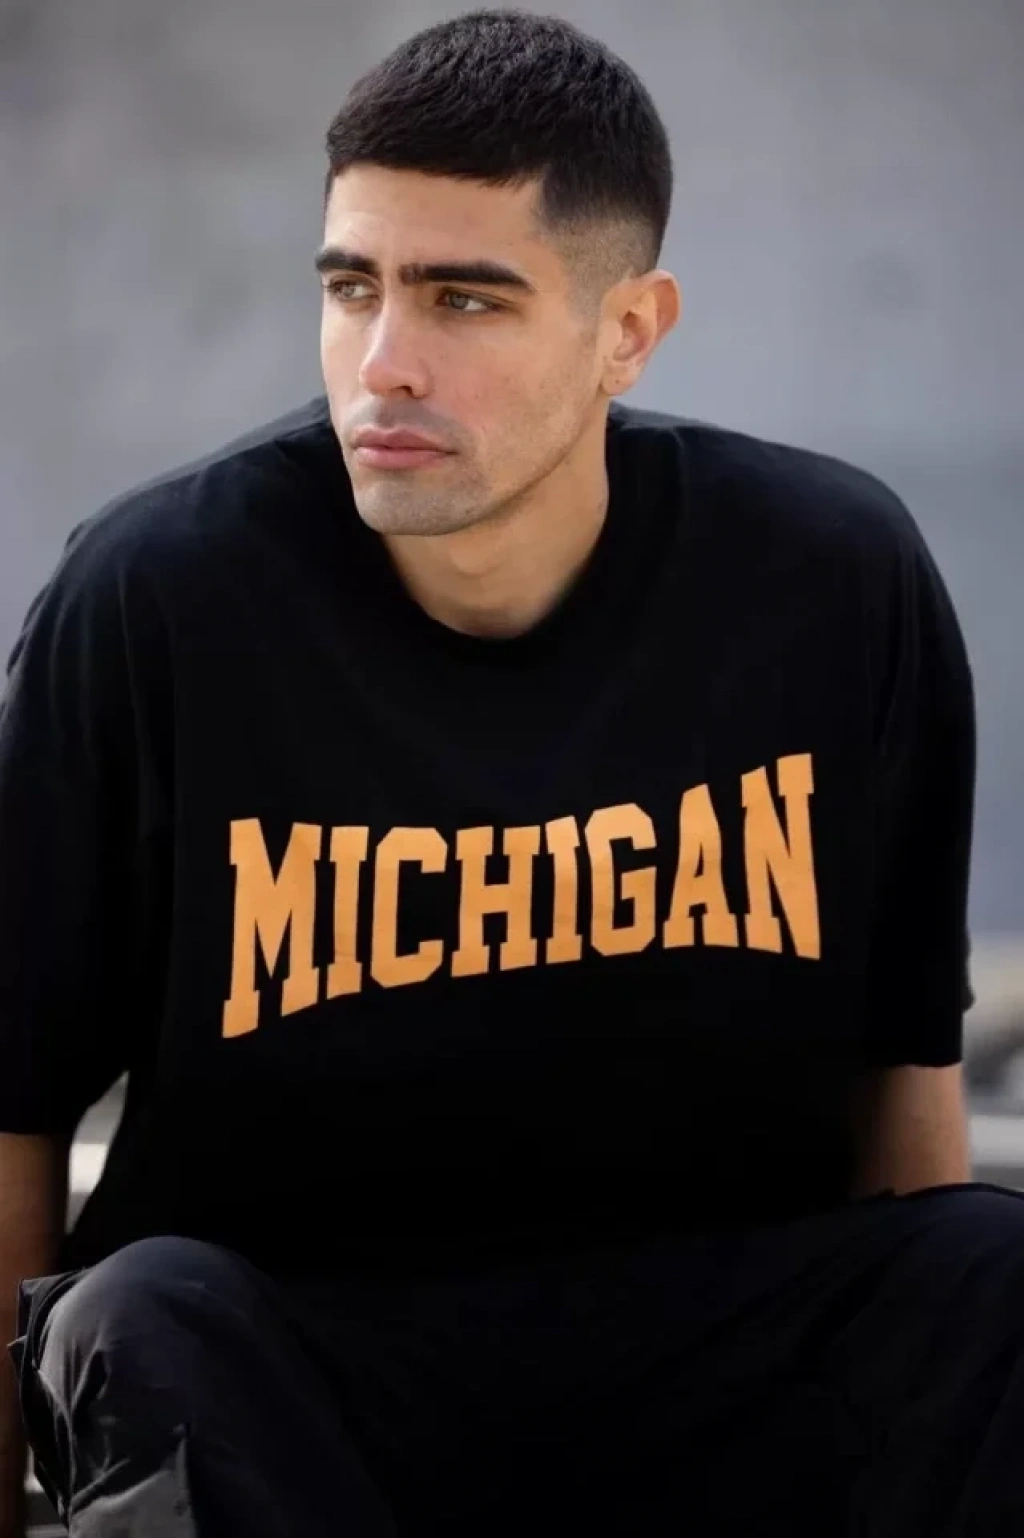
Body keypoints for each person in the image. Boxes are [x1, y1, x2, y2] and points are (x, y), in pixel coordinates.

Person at [1, 7, 1021, 1535]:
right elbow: (12, 1112)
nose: (384, 363)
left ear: (630, 330)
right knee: (133, 1313)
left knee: (988, 1267)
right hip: (301, 1390)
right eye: (352, 287)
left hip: (719, 1374)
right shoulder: (159, 600)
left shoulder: (828, 582)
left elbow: (906, 1086)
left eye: (464, 298)